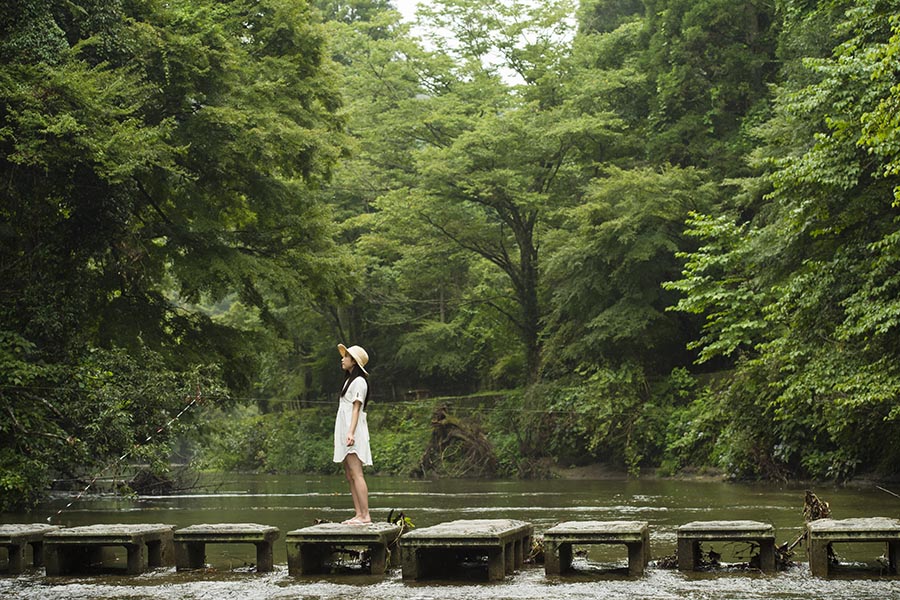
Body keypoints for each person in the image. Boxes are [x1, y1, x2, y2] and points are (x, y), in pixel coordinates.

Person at [333, 343, 372, 524]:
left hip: (352, 431)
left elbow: (356, 409)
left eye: (346, 357)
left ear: (354, 362)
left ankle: (365, 515)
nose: (343, 359)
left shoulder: (359, 381)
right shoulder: (349, 381)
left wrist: (350, 432)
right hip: (345, 430)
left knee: (357, 473)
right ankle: (358, 513)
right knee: (349, 474)